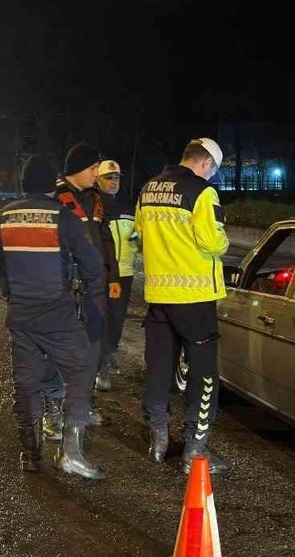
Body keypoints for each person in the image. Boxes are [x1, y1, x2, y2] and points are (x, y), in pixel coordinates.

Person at [0, 156, 107, 479]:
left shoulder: (4, 217)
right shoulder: (63, 218)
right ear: (51, 186)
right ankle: (71, 452)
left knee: (25, 384)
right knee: (82, 368)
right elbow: (93, 266)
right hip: (58, 314)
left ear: (24, 184)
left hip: (21, 315)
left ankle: (29, 453)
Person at [135, 138, 232, 475]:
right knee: (204, 374)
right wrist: (223, 239)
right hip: (194, 299)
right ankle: (195, 451)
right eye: (214, 171)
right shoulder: (203, 192)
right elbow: (212, 241)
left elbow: (139, 232)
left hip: (158, 297)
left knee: (160, 369)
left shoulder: (148, 189)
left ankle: (158, 442)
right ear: (206, 163)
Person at [37, 143, 116, 437]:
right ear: (78, 169)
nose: (99, 173)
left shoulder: (96, 201)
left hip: (93, 287)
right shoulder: (56, 198)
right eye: (94, 168)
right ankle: (52, 409)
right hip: (63, 286)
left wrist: (113, 277)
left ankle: (83, 404)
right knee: (57, 350)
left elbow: (104, 241)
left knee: (92, 348)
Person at [94, 159, 138, 391]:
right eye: (108, 178)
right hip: (102, 272)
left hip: (125, 271)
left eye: (116, 178)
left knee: (118, 319)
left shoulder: (129, 206)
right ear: (98, 180)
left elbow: (136, 234)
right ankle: (99, 366)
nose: (113, 183)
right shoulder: (94, 205)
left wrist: (133, 241)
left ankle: (109, 353)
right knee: (101, 319)